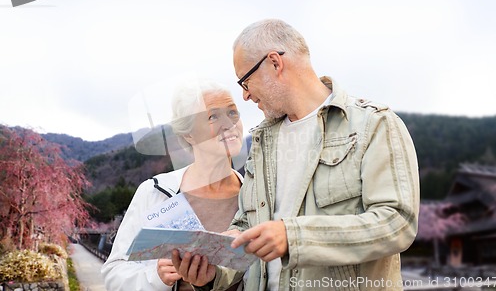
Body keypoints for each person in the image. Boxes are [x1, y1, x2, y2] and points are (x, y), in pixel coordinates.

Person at [172, 19, 420, 291]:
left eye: (245, 81)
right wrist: (213, 273)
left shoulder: (374, 125)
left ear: (275, 63)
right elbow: (246, 227)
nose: (245, 96)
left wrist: (294, 237)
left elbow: (397, 222)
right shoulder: (262, 141)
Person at [101, 80, 245, 291]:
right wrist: (157, 277)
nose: (229, 123)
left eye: (232, 113)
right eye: (213, 116)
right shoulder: (154, 192)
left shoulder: (254, 195)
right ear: (189, 134)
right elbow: (113, 274)